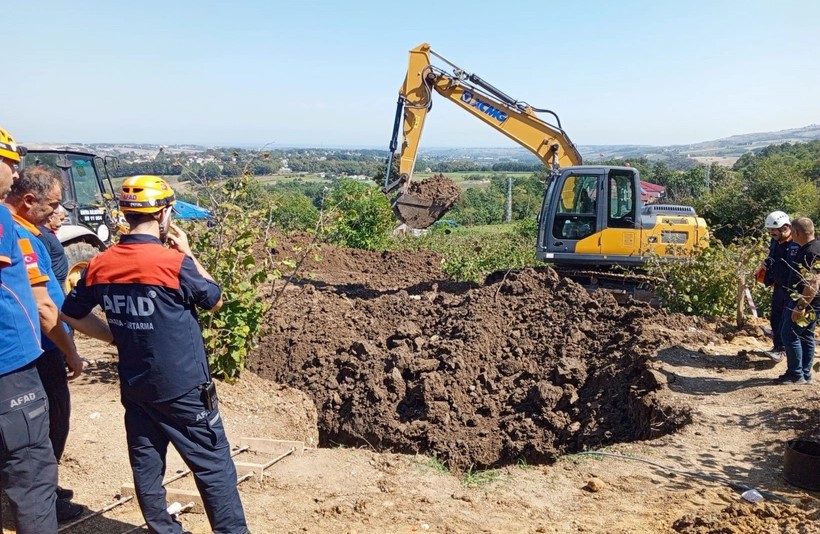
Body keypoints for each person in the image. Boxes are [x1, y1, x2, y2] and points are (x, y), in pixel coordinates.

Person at [62, 175, 250, 534]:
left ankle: (164, 529)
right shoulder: (173, 263)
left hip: (136, 385)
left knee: (146, 464)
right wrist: (188, 253)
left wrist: (114, 336)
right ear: (164, 214)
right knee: (213, 467)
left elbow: (71, 312)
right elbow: (215, 299)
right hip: (184, 389)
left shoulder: (100, 264)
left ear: (125, 215)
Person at [5, 165, 86, 521]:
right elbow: (44, 308)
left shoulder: (29, 231)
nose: (58, 212)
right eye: (52, 204)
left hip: (37, 347)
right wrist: (70, 351)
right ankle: (43, 499)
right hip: (37, 351)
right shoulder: (18, 234)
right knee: (44, 430)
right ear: (28, 200)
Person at [0, 127, 59, 533]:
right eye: (9, 160)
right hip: (10, 369)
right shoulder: (4, 220)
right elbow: (43, 305)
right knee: (33, 476)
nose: (14, 170)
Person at [776, 217, 820, 385]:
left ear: (796, 232)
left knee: (789, 334)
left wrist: (800, 305)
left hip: (806, 302)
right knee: (806, 336)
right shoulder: (813, 248)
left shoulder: (811, 252)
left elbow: (813, 283)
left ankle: (796, 375)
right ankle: (805, 374)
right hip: (811, 302)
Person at [754, 211, 800, 361]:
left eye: (774, 230)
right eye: (769, 230)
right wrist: (766, 264)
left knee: (787, 321)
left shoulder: (796, 244)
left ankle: (783, 350)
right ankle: (777, 347)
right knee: (776, 317)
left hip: (793, 289)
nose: (771, 233)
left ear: (785, 227)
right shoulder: (775, 241)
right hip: (779, 286)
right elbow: (772, 257)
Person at [38, 204, 69, 290]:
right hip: (53, 284)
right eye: (61, 219)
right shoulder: (44, 236)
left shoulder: (48, 234)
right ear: (51, 217)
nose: (62, 222)